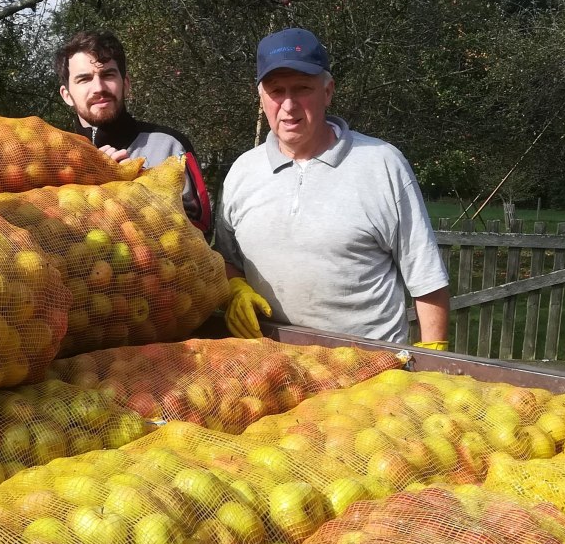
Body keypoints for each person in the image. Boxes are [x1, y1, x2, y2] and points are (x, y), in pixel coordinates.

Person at [215, 27, 451, 349]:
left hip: (369, 372)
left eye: (302, 88)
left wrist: (432, 356)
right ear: (261, 98)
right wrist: (236, 288)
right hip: (271, 369)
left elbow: (426, 278)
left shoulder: (382, 164)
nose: (288, 105)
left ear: (327, 91)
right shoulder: (242, 172)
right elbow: (228, 260)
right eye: (276, 90)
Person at [55, 30, 212, 235]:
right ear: (66, 95)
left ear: (126, 84)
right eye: (84, 79)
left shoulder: (170, 146)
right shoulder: (56, 158)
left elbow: (200, 228)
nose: (99, 87)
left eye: (108, 75)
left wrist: (131, 187)